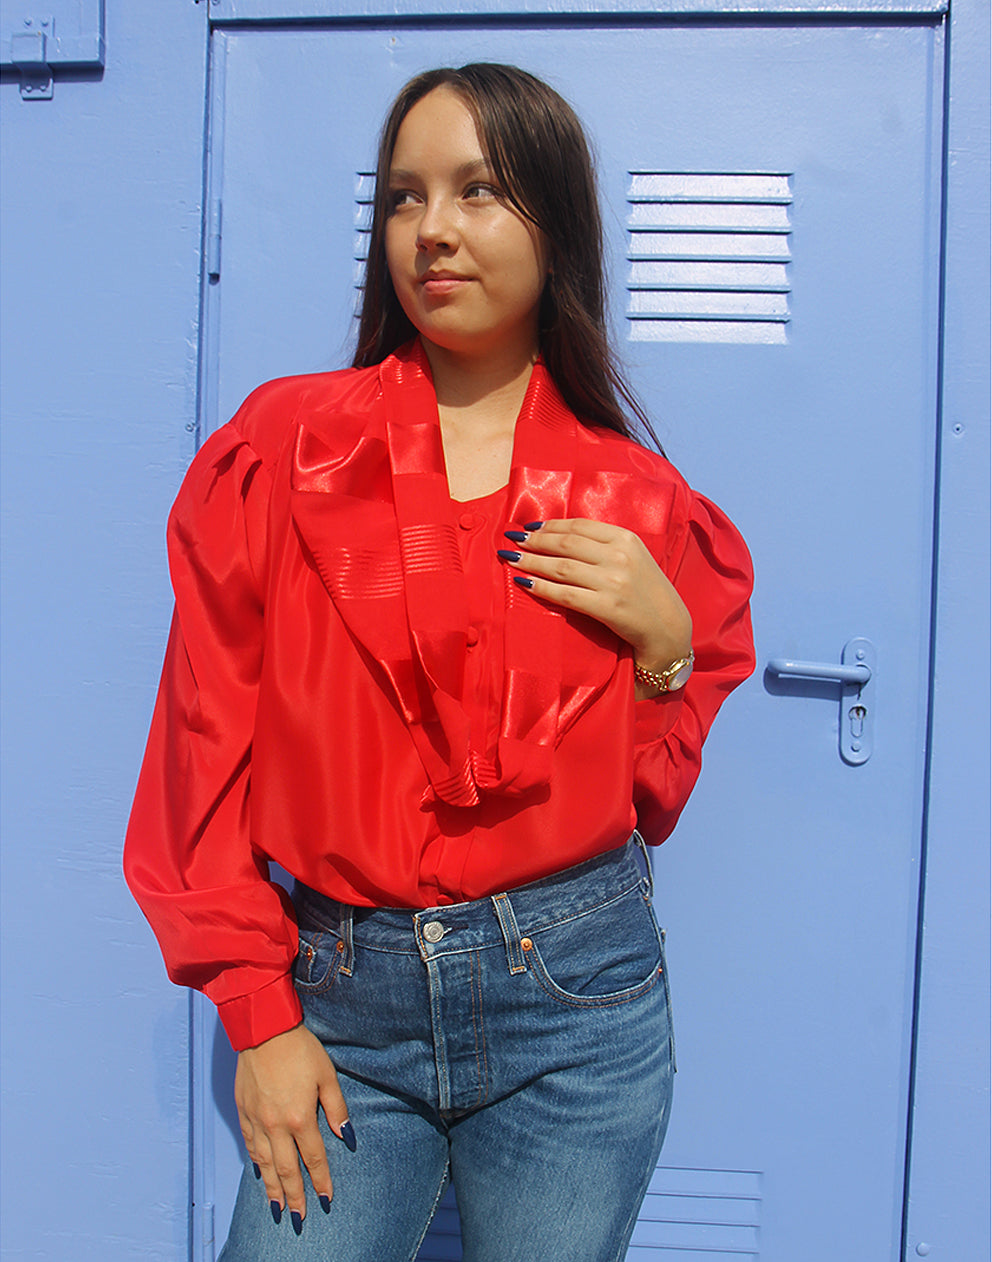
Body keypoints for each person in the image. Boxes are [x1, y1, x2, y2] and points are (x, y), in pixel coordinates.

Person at [124, 63, 755, 1262]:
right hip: (339, 994)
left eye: (478, 190)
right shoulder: (283, 450)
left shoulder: (637, 503)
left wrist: (665, 649)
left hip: (579, 1000)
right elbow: (200, 742)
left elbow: (648, 792)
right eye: (405, 197)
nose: (433, 231)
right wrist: (257, 1018)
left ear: (554, 224)